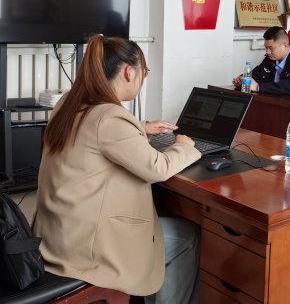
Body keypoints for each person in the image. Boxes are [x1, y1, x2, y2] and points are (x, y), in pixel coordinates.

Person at [33, 35, 201, 302]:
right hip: (87, 249)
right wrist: (183, 146)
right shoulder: (110, 118)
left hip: (55, 234)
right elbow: (158, 168)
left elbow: (96, 132)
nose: (142, 79)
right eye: (144, 72)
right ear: (128, 72)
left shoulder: (68, 102)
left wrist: (141, 127)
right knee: (188, 236)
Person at [233, 26, 290, 94]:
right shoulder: (271, 57)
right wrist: (243, 79)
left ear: (285, 46)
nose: (267, 52)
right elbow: (257, 73)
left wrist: (258, 87)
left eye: (271, 48)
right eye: (266, 47)